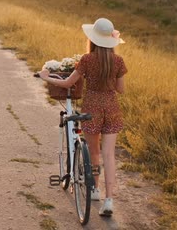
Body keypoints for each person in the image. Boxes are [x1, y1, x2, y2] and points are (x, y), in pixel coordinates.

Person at [39, 18, 127, 217]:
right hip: (112, 107)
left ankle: (95, 189)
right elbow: (121, 90)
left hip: (92, 108)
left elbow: (68, 83)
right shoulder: (119, 61)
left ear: (93, 39)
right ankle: (109, 200)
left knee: (94, 153)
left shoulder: (87, 60)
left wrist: (46, 77)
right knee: (109, 156)